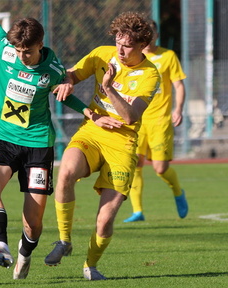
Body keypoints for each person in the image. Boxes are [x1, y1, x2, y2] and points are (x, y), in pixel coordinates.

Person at [0, 12, 101, 280]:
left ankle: (24, 254)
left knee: (33, 223)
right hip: (3, 139)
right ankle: (1, 246)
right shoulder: (7, 51)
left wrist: (87, 111)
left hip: (38, 145)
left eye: (28, 51)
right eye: (19, 50)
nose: (22, 56)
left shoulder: (52, 70)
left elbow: (63, 94)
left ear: (40, 45)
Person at [44, 12, 160, 280]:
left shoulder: (149, 75)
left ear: (142, 45)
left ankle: (90, 266)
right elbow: (73, 74)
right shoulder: (101, 53)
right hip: (93, 132)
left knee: (105, 219)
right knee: (65, 173)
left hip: (123, 144)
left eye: (128, 45)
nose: (120, 49)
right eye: (118, 41)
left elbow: (131, 116)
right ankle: (64, 240)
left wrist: (109, 88)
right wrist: (66, 82)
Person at [123, 20, 188, 223]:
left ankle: (178, 191)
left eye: (151, 33)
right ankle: (137, 211)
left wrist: (178, 109)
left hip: (160, 120)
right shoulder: (133, 58)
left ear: (156, 35)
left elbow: (178, 85)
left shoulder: (168, 56)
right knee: (135, 165)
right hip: (137, 121)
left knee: (160, 168)